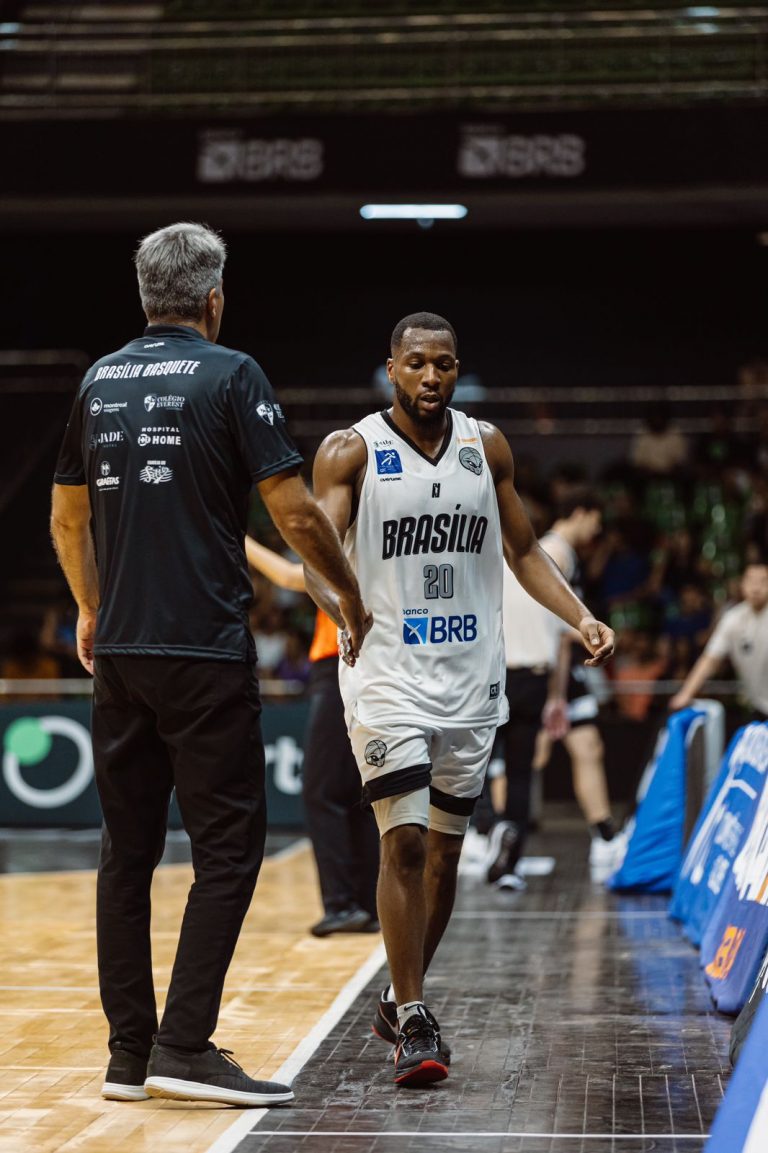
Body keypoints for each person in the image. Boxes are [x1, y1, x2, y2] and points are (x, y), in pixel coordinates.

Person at [50, 222, 371, 1109]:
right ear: (215, 298)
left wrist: (88, 605)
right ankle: (183, 1044)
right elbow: (295, 513)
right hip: (201, 650)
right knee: (228, 850)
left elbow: (67, 518)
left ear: (145, 294)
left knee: (126, 854)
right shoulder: (233, 373)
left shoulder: (97, 379)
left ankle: (128, 1055)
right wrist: (346, 594)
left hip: (119, 653)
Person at [304, 312, 615, 1086]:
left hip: (472, 677)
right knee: (405, 842)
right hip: (387, 675)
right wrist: (342, 602)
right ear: (391, 369)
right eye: (416, 363)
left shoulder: (488, 445)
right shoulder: (350, 450)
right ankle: (415, 1016)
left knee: (444, 853)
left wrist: (578, 615)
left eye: (443, 363)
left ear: (457, 368)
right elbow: (314, 553)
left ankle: (397, 995)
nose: (430, 375)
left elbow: (523, 549)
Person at [244, 536, 380, 937]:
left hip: (341, 665)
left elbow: (291, 576)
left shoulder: (349, 546)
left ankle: (343, 904)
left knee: (322, 792)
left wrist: (239, 536)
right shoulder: (382, 544)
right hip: (376, 667)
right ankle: (366, 904)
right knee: (359, 795)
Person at [490, 494, 620, 885]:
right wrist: (557, 696)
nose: (597, 529)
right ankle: (492, 841)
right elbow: (561, 636)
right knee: (512, 766)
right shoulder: (552, 555)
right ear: (580, 511)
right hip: (527, 673)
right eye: (595, 519)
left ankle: (502, 849)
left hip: (514, 673)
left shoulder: (532, 556)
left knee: (513, 765)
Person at [669, 560, 768, 722]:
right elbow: (710, 659)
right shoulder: (733, 618)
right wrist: (685, 694)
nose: (756, 588)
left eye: (763, 581)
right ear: (742, 584)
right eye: (751, 581)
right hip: (758, 708)